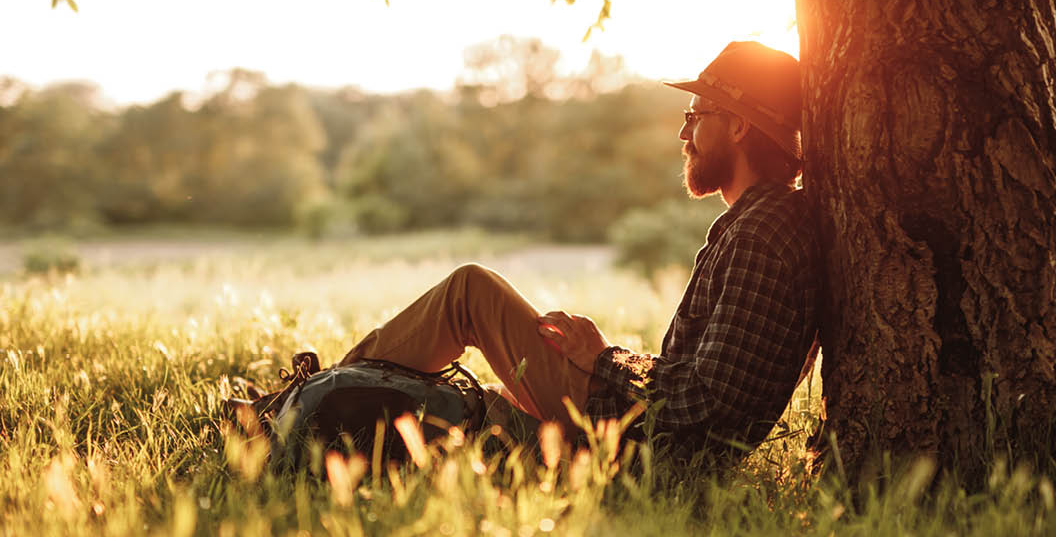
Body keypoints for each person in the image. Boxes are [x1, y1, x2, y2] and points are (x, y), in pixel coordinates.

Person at [336, 41, 820, 459]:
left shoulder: (760, 236)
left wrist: (604, 359)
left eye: (695, 115)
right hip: (642, 428)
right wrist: (605, 361)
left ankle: (298, 408)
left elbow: (709, 403)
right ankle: (309, 406)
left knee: (470, 292)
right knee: (489, 399)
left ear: (738, 127)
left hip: (643, 445)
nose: (683, 133)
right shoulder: (761, 224)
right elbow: (704, 381)